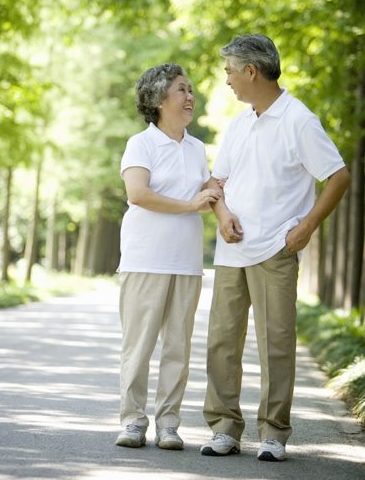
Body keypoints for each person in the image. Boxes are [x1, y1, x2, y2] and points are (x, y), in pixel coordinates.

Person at [200, 34, 351, 461]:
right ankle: (225, 428)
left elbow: (338, 176)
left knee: (277, 342)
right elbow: (217, 182)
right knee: (222, 342)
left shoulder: (299, 120)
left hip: (276, 249)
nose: (227, 79)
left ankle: (273, 433)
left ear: (252, 71)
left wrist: (306, 227)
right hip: (233, 249)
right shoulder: (240, 122)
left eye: (230, 70)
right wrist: (222, 212)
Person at [115, 62, 221, 451]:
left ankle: (169, 424)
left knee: (178, 348)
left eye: (190, 89)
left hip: (187, 263)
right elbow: (138, 194)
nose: (190, 96)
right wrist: (192, 204)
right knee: (139, 346)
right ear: (160, 99)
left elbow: (206, 196)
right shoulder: (139, 144)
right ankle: (131, 421)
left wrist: (211, 198)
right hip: (145, 260)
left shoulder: (197, 148)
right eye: (181, 89)